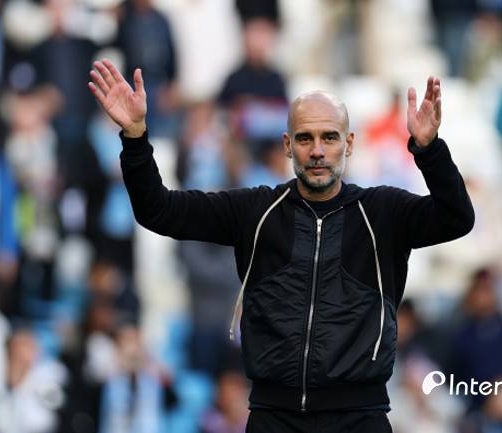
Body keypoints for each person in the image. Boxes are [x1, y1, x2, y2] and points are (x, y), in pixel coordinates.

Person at [88, 58, 475, 432]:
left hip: (360, 418)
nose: (317, 150)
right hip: (273, 418)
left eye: (329, 137)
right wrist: (135, 137)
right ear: (288, 145)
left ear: (349, 144)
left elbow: (457, 219)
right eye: (305, 138)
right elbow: (158, 211)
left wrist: (430, 151)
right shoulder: (256, 210)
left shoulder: (382, 212)